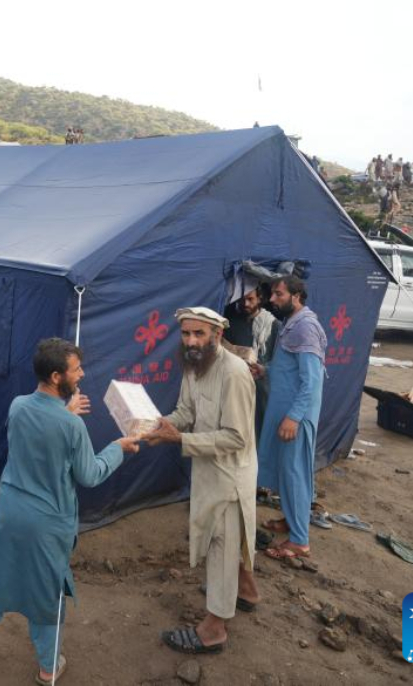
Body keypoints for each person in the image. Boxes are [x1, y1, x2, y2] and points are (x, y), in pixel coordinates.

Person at [0, 338, 137, 682]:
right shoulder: (72, 426)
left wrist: (64, 414)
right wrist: (117, 447)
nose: (82, 374)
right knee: (46, 594)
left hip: (9, 514)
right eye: (76, 370)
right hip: (48, 525)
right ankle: (48, 669)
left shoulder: (18, 406)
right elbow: (89, 475)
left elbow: (39, 432)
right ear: (55, 376)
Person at [142, 308, 260, 655]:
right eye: (186, 334)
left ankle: (214, 630)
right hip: (207, 469)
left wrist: (179, 440)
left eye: (199, 334)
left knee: (223, 545)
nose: (191, 341)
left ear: (217, 335)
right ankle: (248, 593)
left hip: (230, 475)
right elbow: (187, 413)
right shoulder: (194, 365)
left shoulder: (234, 373)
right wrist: (158, 424)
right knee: (228, 539)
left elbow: (237, 438)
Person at [257, 276, 326, 561]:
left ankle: (299, 541)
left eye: (279, 294)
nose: (272, 299)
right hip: (284, 411)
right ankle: (291, 519)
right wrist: (265, 370)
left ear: (296, 296)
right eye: (272, 293)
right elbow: (288, 368)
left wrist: (294, 418)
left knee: (294, 474)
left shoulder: (306, 327)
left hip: (293, 416)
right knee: (289, 471)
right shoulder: (292, 323)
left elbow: (311, 381)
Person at [225, 287, 279, 437]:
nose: (246, 303)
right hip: (237, 385)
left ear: (260, 299)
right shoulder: (231, 322)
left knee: (261, 430)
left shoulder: (273, 325)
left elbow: (279, 360)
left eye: (250, 299)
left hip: (262, 388)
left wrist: (263, 369)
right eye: (242, 300)